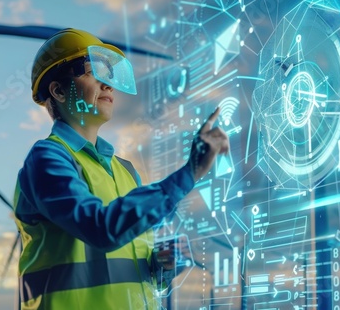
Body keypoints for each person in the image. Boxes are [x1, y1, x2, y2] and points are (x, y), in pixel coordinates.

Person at [13, 28, 229, 310]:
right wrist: (189, 173)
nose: (108, 85)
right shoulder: (47, 159)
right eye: (92, 72)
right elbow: (100, 229)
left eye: (109, 75)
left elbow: (135, 271)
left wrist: (163, 266)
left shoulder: (125, 170)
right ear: (58, 90)